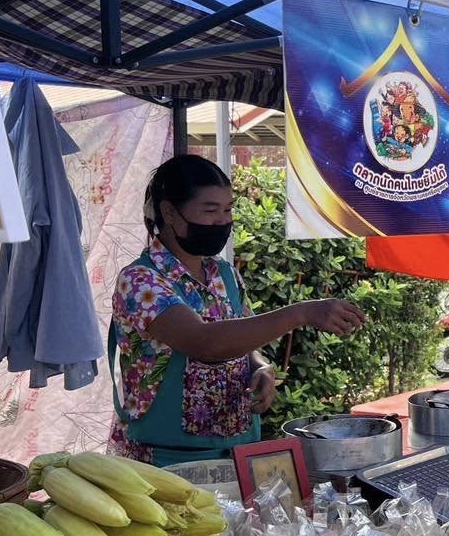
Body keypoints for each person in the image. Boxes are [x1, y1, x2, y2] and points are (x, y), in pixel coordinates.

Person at [108, 154, 367, 466]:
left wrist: (260, 367)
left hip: (237, 455)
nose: (222, 222)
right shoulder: (140, 280)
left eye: (228, 210)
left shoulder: (223, 274)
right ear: (170, 213)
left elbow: (238, 338)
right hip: (165, 462)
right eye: (210, 210)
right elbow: (205, 342)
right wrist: (301, 313)